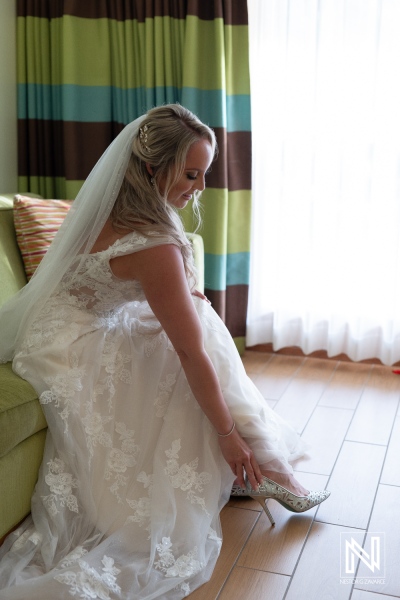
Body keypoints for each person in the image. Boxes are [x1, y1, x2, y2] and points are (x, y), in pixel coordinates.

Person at [0, 104, 329, 599]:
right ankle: (260, 462)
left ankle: (266, 466)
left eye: (204, 174)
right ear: (152, 167)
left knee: (198, 324)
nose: (198, 187)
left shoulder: (125, 207)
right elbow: (192, 353)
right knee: (193, 345)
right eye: (190, 173)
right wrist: (226, 434)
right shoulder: (154, 244)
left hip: (76, 322)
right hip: (66, 344)